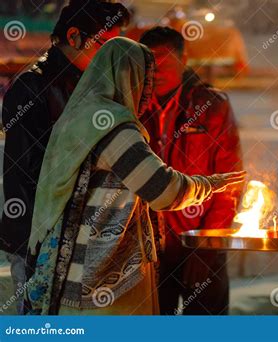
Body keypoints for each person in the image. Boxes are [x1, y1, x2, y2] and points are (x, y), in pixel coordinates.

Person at [24, 36, 246, 315]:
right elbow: (162, 190)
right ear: (128, 75)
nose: (150, 88)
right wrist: (211, 185)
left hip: (71, 265)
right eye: (147, 77)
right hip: (100, 275)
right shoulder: (112, 126)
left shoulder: (79, 114)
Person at [0, 0, 130, 314]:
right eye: (105, 44)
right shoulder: (32, 88)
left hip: (77, 235)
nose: (112, 57)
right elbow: (30, 173)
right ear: (74, 37)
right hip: (37, 238)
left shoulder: (92, 85)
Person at [139, 27, 243, 315]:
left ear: (183, 59)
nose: (155, 71)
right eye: (148, 63)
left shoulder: (212, 106)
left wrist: (206, 246)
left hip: (200, 237)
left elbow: (231, 181)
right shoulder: (133, 107)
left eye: (163, 61)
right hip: (148, 247)